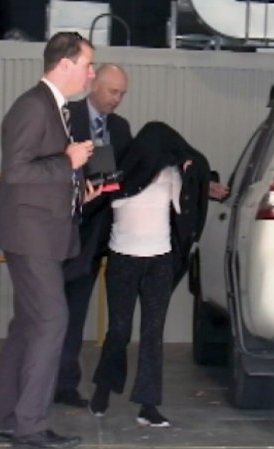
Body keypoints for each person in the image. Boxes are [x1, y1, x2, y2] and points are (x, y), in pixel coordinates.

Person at [0, 31, 100, 449]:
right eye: (88, 64)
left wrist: (77, 190)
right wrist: (68, 161)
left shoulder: (56, 108)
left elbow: (39, 172)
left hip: (41, 233)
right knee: (52, 321)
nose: (92, 73)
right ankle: (29, 426)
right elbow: (16, 171)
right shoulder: (33, 107)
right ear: (64, 64)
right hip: (30, 235)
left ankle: (0, 420)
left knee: (28, 327)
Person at [88, 121, 212, 427]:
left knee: (153, 334)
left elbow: (189, 199)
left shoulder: (172, 174)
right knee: (119, 329)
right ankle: (104, 387)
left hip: (160, 261)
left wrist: (197, 176)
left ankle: (148, 405)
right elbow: (98, 198)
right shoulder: (117, 169)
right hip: (123, 259)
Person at [54, 64, 133, 408]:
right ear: (95, 85)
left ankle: (64, 385)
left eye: (122, 94)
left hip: (94, 237)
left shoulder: (119, 128)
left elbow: (127, 174)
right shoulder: (65, 117)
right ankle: (33, 384)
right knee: (45, 313)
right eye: (113, 91)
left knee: (76, 313)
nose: (117, 99)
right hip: (56, 231)